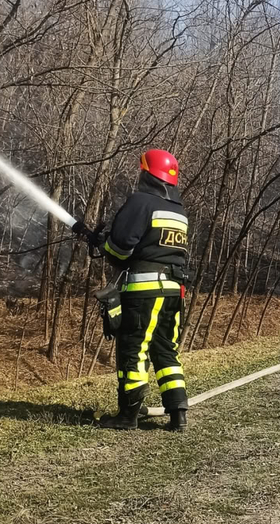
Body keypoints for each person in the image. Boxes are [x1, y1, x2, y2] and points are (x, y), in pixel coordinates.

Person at [96, 149, 190, 432]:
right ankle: (178, 414)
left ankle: (127, 415)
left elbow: (121, 246)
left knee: (134, 350)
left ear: (146, 174)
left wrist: (104, 245)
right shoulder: (179, 212)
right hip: (173, 291)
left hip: (144, 292)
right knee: (166, 350)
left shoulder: (140, 202)